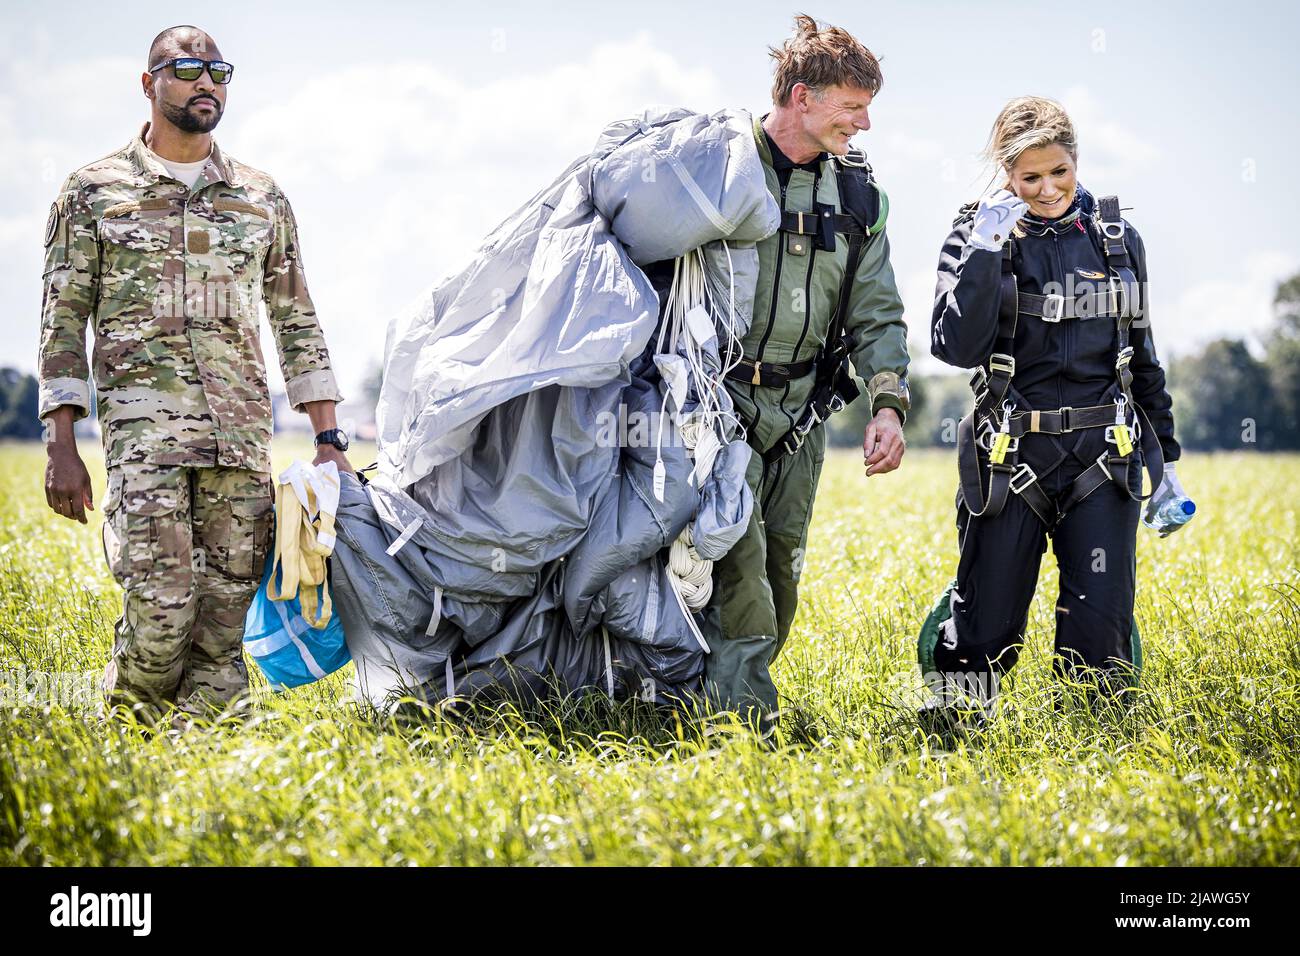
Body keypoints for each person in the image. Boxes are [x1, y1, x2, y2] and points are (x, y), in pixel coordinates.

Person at [38, 25, 353, 729]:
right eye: (186, 68)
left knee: (225, 619)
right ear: (148, 83)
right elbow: (62, 320)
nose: (206, 81)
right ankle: (125, 738)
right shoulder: (92, 192)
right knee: (160, 608)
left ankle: (211, 761)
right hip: (144, 442)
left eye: (218, 71)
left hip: (240, 441)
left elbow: (296, 319)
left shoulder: (261, 197)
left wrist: (329, 436)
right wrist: (61, 442)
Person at [923, 95, 1185, 720]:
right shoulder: (976, 234)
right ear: (1006, 175)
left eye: (1059, 172)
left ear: (1076, 161)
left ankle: (1090, 748)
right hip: (1010, 456)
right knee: (986, 625)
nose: (1046, 190)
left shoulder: (1118, 242)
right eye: (1029, 177)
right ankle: (952, 732)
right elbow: (955, 346)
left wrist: (1166, 463)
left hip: (1104, 459)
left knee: (1100, 635)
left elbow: (1141, 359)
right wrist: (984, 251)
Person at [702, 15, 911, 731]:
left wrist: (888, 405)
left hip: (802, 414)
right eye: (853, 107)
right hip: (714, 404)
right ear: (802, 97)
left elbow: (877, 314)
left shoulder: (857, 199)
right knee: (738, 560)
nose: (865, 124)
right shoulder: (720, 170)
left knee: (781, 569)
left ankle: (708, 696)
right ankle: (740, 724)